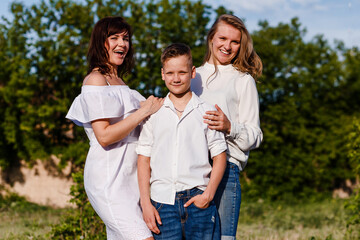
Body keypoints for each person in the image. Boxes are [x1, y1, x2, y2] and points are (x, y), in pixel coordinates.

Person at [65, 16, 163, 240]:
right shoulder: (95, 81)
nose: (122, 44)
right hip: (109, 179)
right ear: (101, 42)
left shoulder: (121, 83)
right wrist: (143, 111)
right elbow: (105, 136)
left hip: (131, 179)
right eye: (114, 38)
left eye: (126, 38)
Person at [136, 43, 227, 240]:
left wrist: (208, 196)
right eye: (170, 73)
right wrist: (145, 203)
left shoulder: (207, 111)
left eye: (182, 72)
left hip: (198, 201)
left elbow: (220, 157)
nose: (176, 78)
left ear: (192, 72)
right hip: (162, 204)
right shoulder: (154, 113)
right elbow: (143, 159)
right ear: (162, 74)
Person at [191, 14, 263, 239]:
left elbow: (255, 136)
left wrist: (229, 126)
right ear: (211, 38)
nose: (227, 46)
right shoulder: (191, 76)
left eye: (235, 41)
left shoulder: (243, 80)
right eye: (222, 38)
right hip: (190, 171)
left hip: (226, 172)